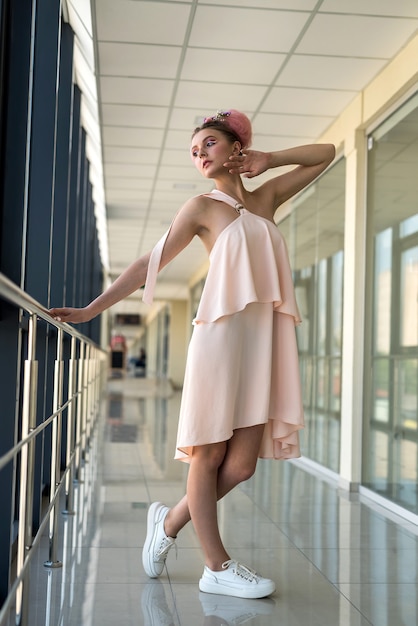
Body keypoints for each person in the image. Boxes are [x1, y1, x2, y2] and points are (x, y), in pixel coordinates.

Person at [50, 109, 335, 599]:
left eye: (208, 143)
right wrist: (93, 308)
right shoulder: (202, 207)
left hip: (261, 343)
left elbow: (326, 155)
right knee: (207, 455)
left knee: (242, 465)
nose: (199, 154)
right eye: (195, 149)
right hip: (220, 340)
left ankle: (167, 523)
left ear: (234, 149)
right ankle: (215, 565)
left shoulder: (265, 199)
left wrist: (271, 159)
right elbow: (149, 263)